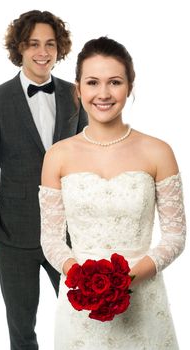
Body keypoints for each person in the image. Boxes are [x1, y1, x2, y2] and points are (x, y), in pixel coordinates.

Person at [38, 36, 186, 349]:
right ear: (78, 88)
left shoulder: (158, 151)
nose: (103, 94)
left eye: (115, 82)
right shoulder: (57, 155)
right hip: (80, 303)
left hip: (144, 301)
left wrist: (126, 279)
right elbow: (50, 238)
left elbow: (175, 236)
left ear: (130, 86)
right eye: (92, 82)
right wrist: (81, 278)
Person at [0, 10, 87, 350]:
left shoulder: (75, 95)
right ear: (19, 49)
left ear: (59, 48)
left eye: (50, 44)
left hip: (68, 234)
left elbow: (86, 159)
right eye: (33, 44)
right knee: (22, 330)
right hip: (13, 236)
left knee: (83, 322)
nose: (43, 52)